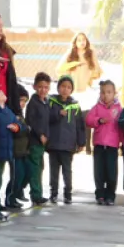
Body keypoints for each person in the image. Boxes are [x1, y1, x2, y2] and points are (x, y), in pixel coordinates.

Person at [0, 88, 26, 220]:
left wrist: (17, 127)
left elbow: (20, 125)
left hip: (4, 152)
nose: (2, 93)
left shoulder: (8, 112)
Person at [48, 76, 85, 204]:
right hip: (53, 143)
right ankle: (53, 193)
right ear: (58, 88)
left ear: (71, 90)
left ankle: (67, 193)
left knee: (67, 170)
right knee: (54, 171)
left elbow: (80, 125)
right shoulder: (51, 102)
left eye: (68, 87)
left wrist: (81, 142)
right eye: (63, 86)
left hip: (68, 145)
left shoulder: (75, 106)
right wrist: (58, 114)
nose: (65, 89)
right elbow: (47, 118)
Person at [86, 80, 121, 205]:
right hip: (99, 145)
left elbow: (121, 126)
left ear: (114, 93)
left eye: (109, 92)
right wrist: (99, 120)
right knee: (99, 172)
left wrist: (122, 141)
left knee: (111, 173)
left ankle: (110, 195)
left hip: (112, 146)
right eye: (103, 92)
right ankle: (100, 194)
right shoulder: (97, 108)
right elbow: (89, 120)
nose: (105, 95)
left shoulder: (119, 109)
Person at [25, 73, 52, 206]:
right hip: (35, 141)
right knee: (35, 169)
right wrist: (40, 134)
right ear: (35, 86)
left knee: (40, 167)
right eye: (40, 87)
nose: (43, 90)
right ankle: (35, 195)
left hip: (43, 142)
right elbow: (31, 121)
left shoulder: (46, 103)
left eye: (46, 87)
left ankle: (38, 193)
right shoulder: (33, 103)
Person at [4, 86, 31, 208]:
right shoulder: (11, 114)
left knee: (26, 173)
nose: (23, 103)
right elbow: (18, 130)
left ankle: (17, 193)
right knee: (16, 175)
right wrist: (25, 129)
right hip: (14, 151)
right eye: (20, 100)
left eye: (25, 101)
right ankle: (10, 198)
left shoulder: (20, 115)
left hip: (23, 150)